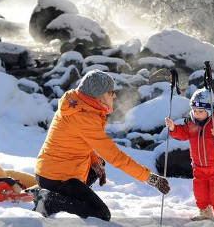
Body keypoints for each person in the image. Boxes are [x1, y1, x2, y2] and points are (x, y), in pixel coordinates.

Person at [35, 70, 170, 220]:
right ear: (98, 94)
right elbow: (116, 157)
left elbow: (79, 139)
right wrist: (150, 178)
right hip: (58, 178)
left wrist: (93, 160)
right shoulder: (83, 116)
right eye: (110, 92)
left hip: (51, 171)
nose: (114, 95)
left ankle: (59, 196)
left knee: (98, 163)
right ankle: (48, 201)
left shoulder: (77, 105)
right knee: (101, 214)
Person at [165, 88, 214, 221]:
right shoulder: (191, 122)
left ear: (209, 110)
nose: (197, 114)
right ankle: (204, 211)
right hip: (198, 165)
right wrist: (173, 128)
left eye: (200, 111)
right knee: (200, 191)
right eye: (194, 111)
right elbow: (184, 133)